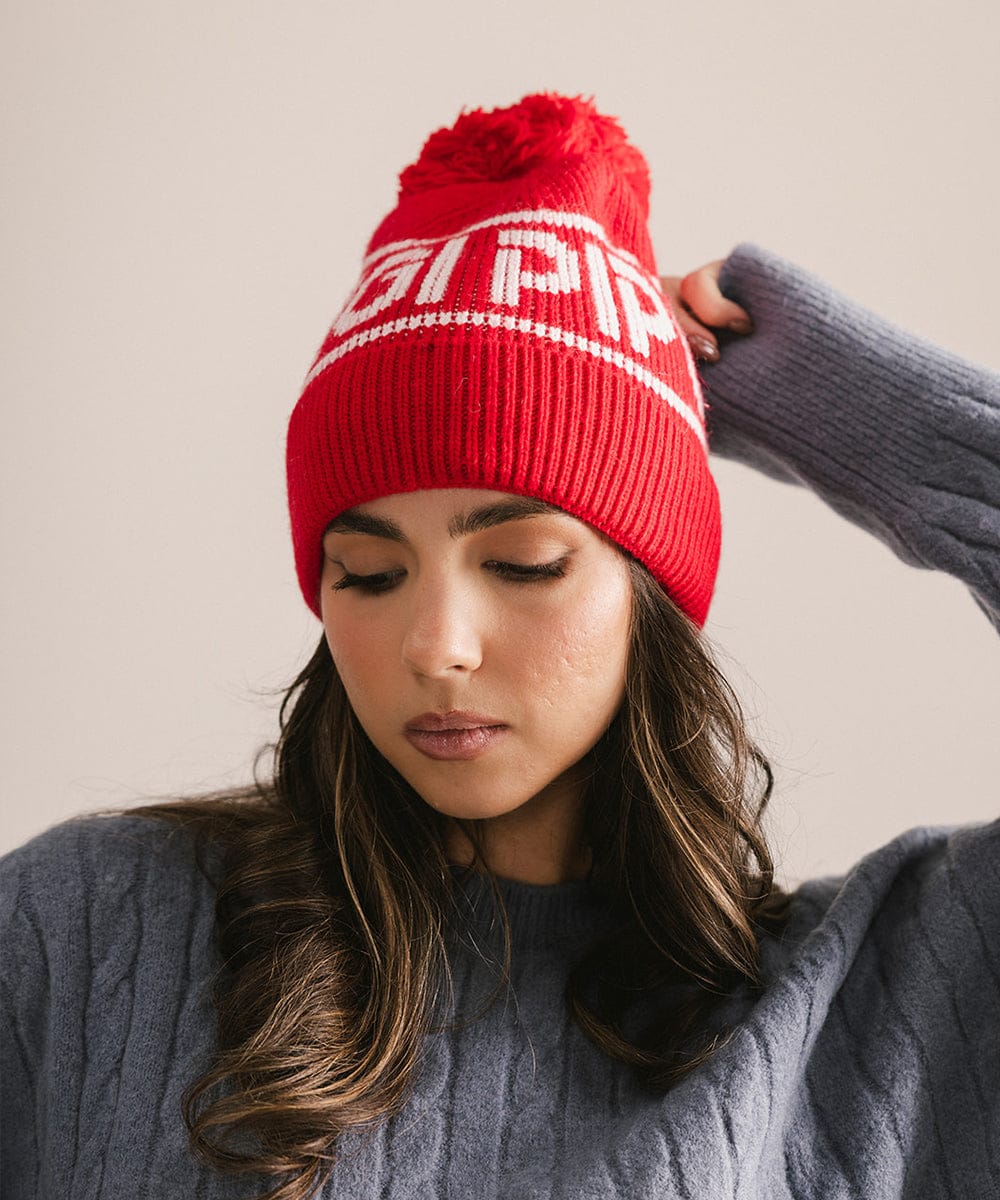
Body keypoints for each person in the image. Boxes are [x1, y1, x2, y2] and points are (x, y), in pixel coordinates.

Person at [1, 93, 998, 1200]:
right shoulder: (86, 932)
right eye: (367, 575)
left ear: (645, 590)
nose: (435, 646)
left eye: (523, 563)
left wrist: (845, 404)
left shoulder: (883, 995)